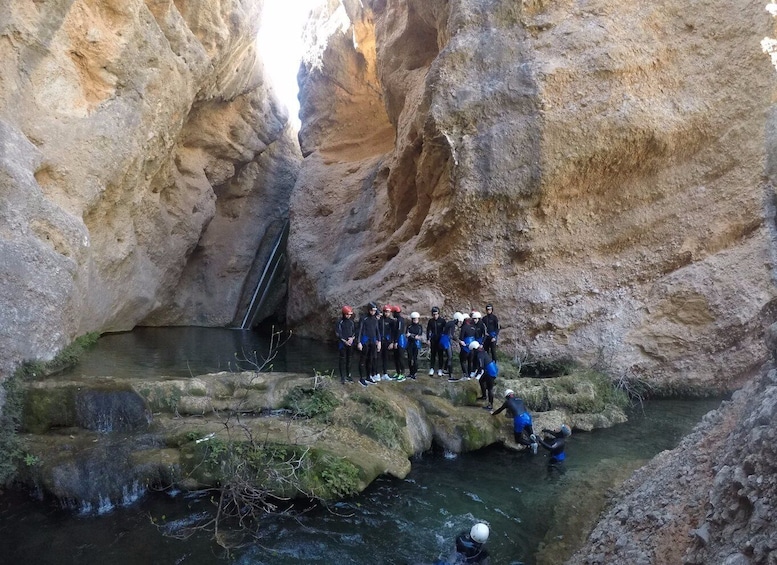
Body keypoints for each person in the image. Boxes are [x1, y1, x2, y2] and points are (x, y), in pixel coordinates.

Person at [491, 389, 537, 454]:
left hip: (519, 418)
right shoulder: (520, 399)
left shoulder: (508, 402)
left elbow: (500, 410)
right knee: (527, 427)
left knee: (518, 439)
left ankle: (531, 444)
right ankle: (531, 434)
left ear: (507, 396)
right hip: (527, 416)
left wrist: (493, 414)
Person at [357, 302, 382, 386]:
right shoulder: (364, 318)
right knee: (363, 359)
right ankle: (361, 378)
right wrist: (359, 342)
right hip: (365, 340)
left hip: (373, 340)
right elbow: (359, 330)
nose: (373, 312)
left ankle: (368, 376)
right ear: (369, 310)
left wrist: (379, 341)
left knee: (370, 359)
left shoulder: (375, 319)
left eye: (374, 311)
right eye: (372, 310)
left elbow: (377, 330)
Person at [470, 341, 497, 408]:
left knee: (490, 388)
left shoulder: (479, 354)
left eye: (473, 350)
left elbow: (481, 366)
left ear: (474, 349)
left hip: (490, 372)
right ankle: (484, 396)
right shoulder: (482, 351)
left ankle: (490, 405)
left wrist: (476, 375)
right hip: (492, 369)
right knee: (481, 381)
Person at [335, 305, 356, 384]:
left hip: (350, 342)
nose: (349, 316)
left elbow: (354, 331)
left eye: (350, 314)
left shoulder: (351, 322)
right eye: (347, 314)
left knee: (349, 359)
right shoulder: (340, 322)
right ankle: (342, 376)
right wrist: (345, 341)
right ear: (344, 314)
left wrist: (352, 338)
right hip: (342, 343)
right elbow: (338, 333)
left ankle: (349, 375)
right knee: (342, 360)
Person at [443, 312, 464, 379]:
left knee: (449, 356)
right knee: (450, 357)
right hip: (446, 341)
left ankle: (445, 370)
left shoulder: (450, 323)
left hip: (444, 340)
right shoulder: (452, 325)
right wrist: (459, 341)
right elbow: (451, 335)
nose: (459, 323)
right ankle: (450, 375)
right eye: (459, 322)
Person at [378, 304, 396, 380]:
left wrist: (392, 342)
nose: (386, 313)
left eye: (388, 312)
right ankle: (377, 373)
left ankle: (385, 373)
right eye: (385, 312)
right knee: (378, 357)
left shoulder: (391, 321)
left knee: (386, 357)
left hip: (387, 341)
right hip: (379, 341)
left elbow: (393, 332)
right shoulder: (379, 320)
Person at [426, 307, 446, 376]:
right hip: (433, 339)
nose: (435, 316)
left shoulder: (442, 321)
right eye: (434, 314)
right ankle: (432, 368)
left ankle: (440, 369)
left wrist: (444, 339)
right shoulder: (431, 321)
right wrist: (428, 339)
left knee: (440, 355)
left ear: (438, 314)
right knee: (433, 354)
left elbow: (445, 330)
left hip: (440, 339)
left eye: (436, 314)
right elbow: (428, 330)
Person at [406, 311, 424, 379]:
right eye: (414, 319)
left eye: (416, 319)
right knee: (409, 359)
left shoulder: (419, 327)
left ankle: (415, 373)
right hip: (410, 344)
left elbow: (418, 336)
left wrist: (411, 335)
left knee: (415, 359)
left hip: (416, 344)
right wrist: (412, 336)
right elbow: (407, 334)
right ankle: (411, 372)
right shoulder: (409, 326)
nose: (415, 320)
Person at [392, 305, 407, 380]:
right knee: (396, 357)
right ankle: (398, 372)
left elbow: (399, 331)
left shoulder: (400, 320)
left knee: (400, 357)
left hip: (400, 341)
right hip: (397, 340)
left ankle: (402, 373)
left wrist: (396, 342)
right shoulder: (397, 320)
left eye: (393, 313)